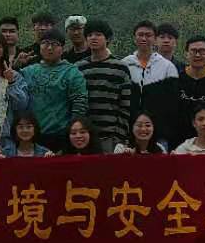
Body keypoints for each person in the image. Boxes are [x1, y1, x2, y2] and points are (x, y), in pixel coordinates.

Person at [18, 29, 89, 152]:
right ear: (40, 46)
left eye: (55, 44)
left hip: (60, 135)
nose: (49, 48)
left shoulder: (72, 72)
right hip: (31, 135)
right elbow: (11, 86)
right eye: (45, 43)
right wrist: (16, 65)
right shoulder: (28, 71)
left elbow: (80, 105)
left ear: (62, 48)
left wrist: (72, 133)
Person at [77, 20, 134, 152]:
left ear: (107, 39)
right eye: (89, 35)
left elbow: (125, 106)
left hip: (110, 137)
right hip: (84, 137)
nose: (93, 38)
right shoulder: (79, 68)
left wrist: (119, 138)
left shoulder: (120, 68)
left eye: (98, 34)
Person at [121, 20, 179, 148]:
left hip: (159, 134)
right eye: (140, 35)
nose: (144, 38)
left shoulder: (167, 67)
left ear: (155, 39)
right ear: (134, 38)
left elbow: (173, 104)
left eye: (148, 35)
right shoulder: (124, 64)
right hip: (129, 132)